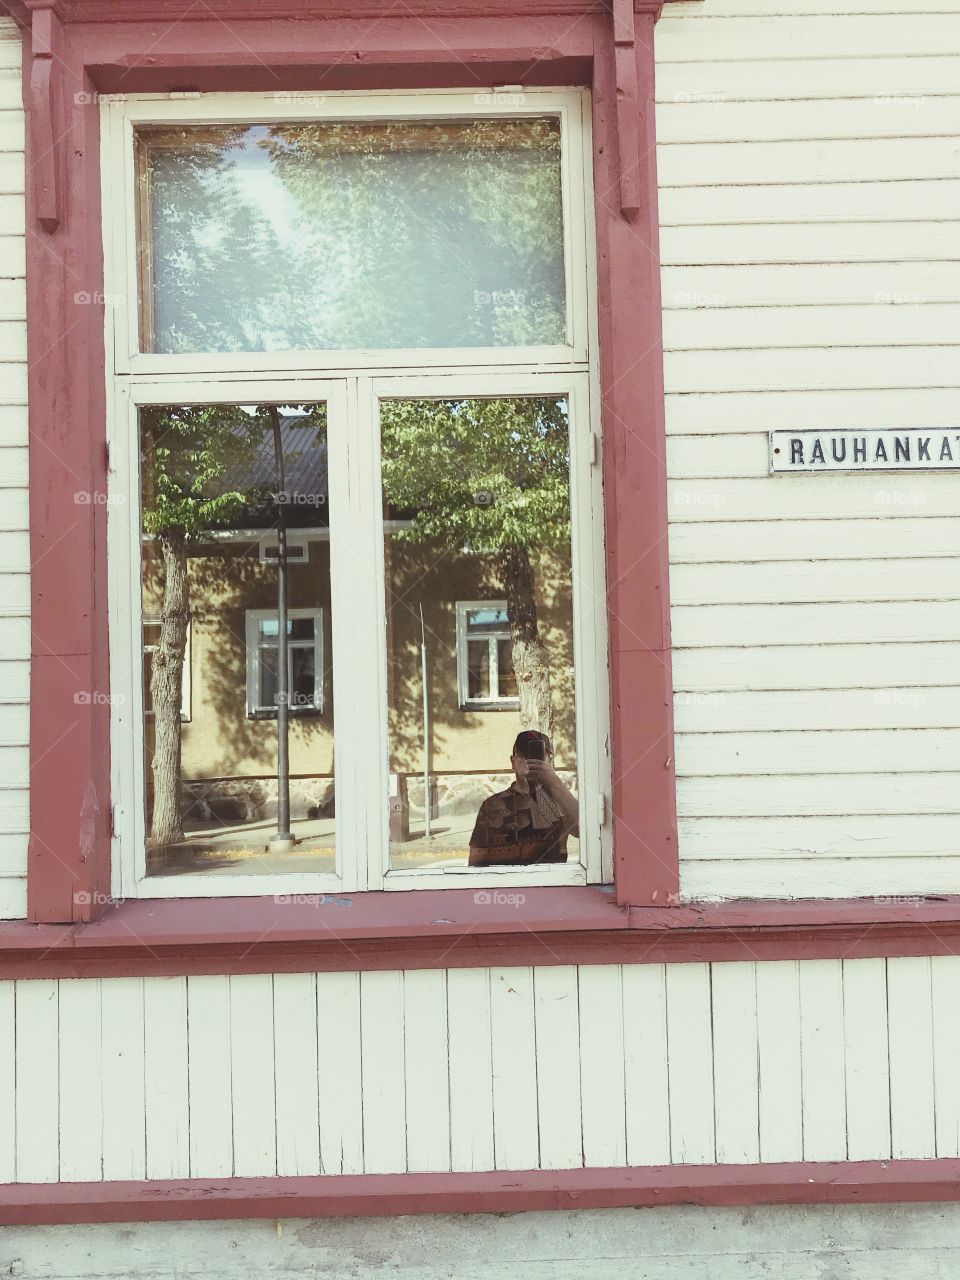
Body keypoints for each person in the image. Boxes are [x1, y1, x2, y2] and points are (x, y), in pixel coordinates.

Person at [468, 730, 579, 867]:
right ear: (512, 761)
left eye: (537, 755)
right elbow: (476, 861)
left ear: (549, 760)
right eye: (523, 755)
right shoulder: (493, 805)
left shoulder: (559, 800)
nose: (528, 761)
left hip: (552, 882)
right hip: (505, 883)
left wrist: (554, 782)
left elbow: (584, 831)